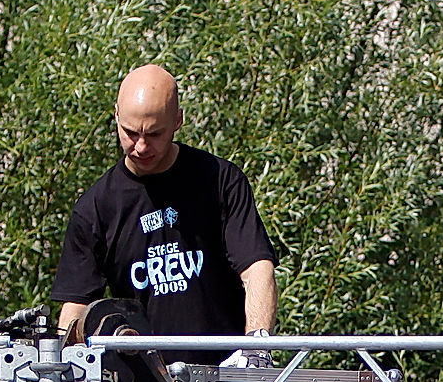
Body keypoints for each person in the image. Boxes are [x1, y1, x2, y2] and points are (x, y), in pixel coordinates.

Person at [51, 64, 278, 366]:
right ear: (116, 116)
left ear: (178, 120)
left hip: (224, 376)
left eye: (155, 134)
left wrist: (256, 349)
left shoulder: (221, 181)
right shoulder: (96, 207)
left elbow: (257, 269)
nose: (141, 146)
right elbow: (77, 306)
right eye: (130, 133)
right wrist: (65, 370)